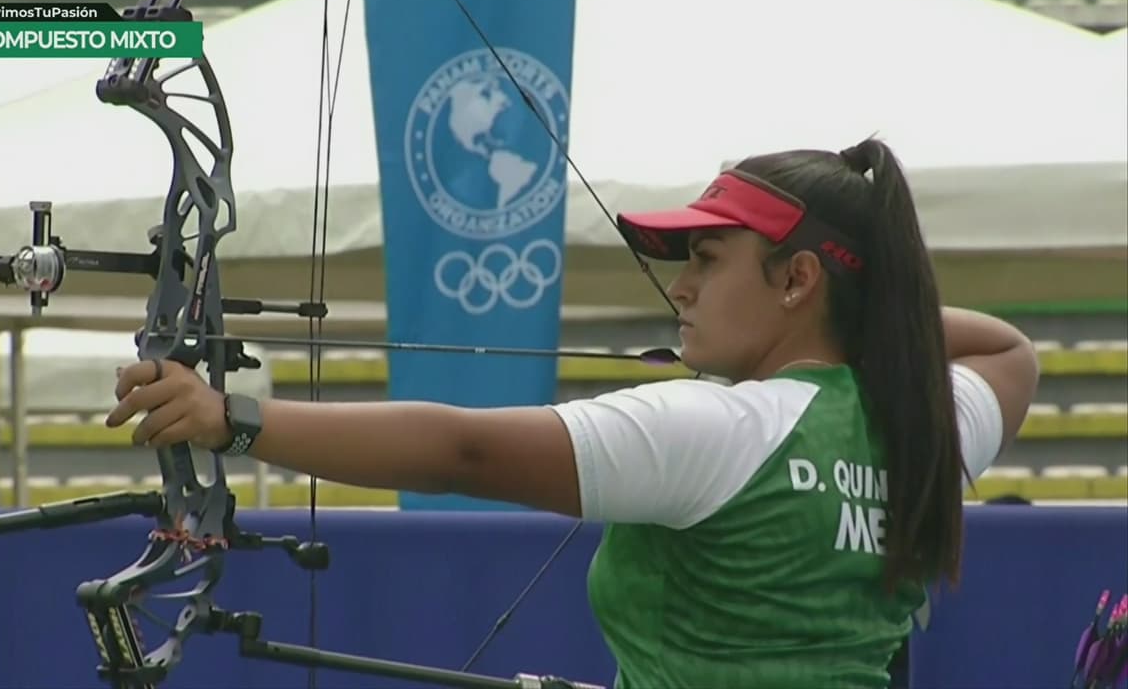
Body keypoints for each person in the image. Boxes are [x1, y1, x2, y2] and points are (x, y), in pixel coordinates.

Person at [106, 137, 1040, 688]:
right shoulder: (927, 427)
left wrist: (231, 414)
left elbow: (464, 449)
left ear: (797, 280)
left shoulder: (718, 431)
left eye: (708, 260)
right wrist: (876, 315)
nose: (682, 288)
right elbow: (1009, 352)